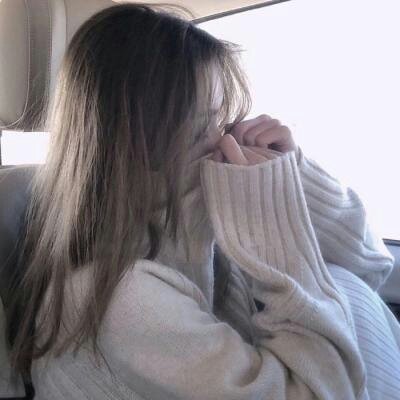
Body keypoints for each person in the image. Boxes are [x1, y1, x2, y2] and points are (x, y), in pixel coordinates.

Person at [1, 3, 399, 399]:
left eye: (226, 120)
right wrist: (271, 226)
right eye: (205, 126)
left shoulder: (201, 227)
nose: (228, 139)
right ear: (144, 145)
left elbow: (366, 267)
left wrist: (293, 173)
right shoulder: (124, 300)